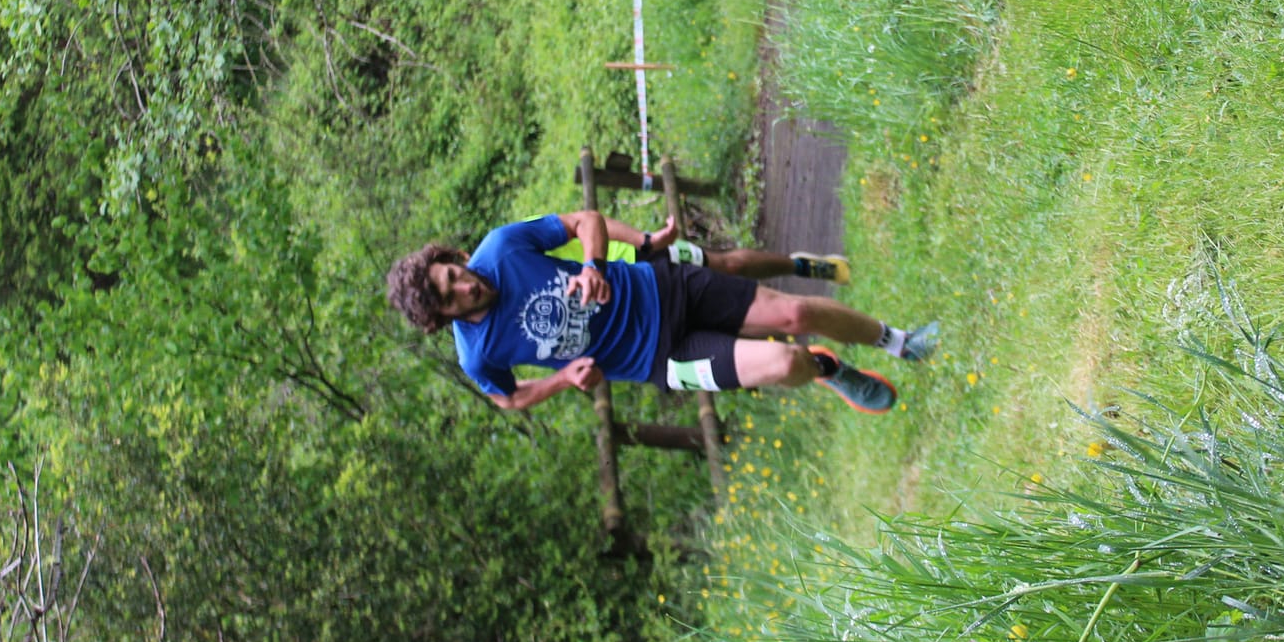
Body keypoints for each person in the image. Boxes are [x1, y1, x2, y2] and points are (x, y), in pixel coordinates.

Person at [385, 210, 937, 414]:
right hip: (661, 358)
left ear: (451, 260)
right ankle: (828, 370)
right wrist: (563, 381)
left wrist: (593, 265)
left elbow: (584, 221)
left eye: (452, 275)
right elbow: (510, 398)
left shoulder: (502, 248)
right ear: (445, 318)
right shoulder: (476, 354)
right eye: (451, 298)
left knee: (792, 315)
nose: (464, 287)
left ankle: (901, 341)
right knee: (786, 366)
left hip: (666, 287)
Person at [541, 212, 852, 285]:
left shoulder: (508, 246)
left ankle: (801, 266)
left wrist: (644, 240)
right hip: (627, 298)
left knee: (727, 267)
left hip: (634, 256)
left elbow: (588, 221)